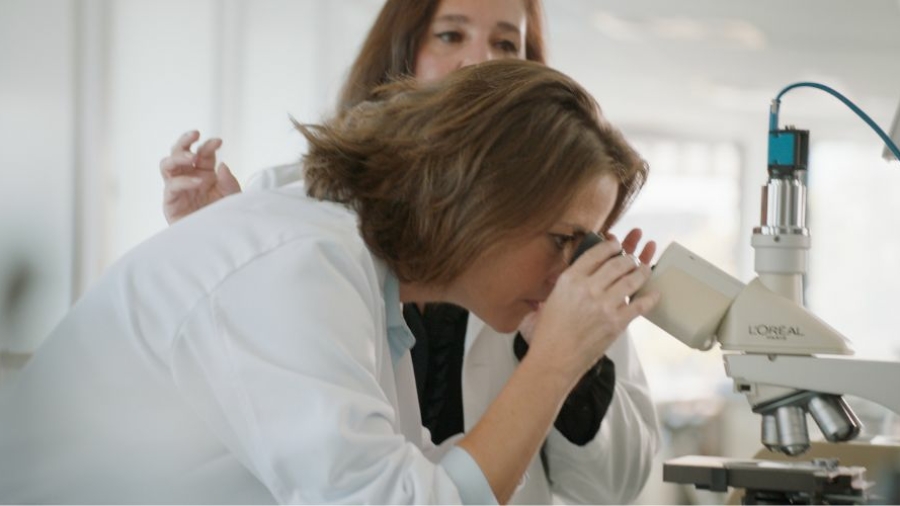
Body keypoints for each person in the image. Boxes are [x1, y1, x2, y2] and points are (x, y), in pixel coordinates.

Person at [0, 59, 657, 504]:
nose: (566, 273)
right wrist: (552, 362)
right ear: (483, 199)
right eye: (565, 241)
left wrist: (557, 362)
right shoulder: (299, 262)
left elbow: (429, 483)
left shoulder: (371, 295)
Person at [159, 0, 660, 503]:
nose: (479, 62)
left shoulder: (548, 256)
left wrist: (566, 353)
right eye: (450, 36)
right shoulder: (312, 247)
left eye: (507, 44)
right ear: (398, 55)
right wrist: (217, 241)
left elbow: (606, 489)